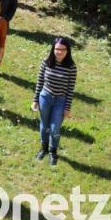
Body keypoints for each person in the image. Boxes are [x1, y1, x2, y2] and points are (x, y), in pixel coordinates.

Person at [32, 37, 77, 166]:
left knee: (55, 128)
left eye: (63, 49)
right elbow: (40, 82)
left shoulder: (71, 67)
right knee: (44, 125)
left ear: (67, 51)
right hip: (45, 97)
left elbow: (70, 89)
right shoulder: (46, 62)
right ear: (53, 49)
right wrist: (35, 100)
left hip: (60, 100)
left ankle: (53, 151)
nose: (59, 52)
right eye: (57, 49)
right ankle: (44, 148)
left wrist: (67, 108)